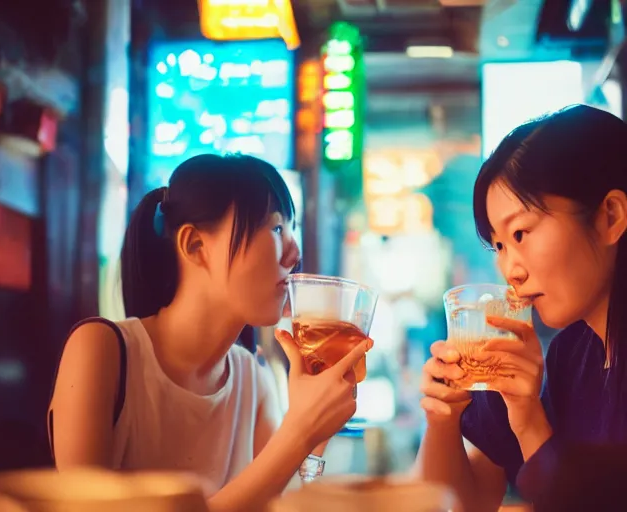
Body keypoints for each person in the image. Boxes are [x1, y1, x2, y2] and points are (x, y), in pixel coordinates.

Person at [47, 154, 372, 512]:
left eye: (292, 231)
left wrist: (315, 437)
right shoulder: (100, 350)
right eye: (277, 228)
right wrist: (298, 433)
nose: (295, 253)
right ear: (195, 246)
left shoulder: (253, 379)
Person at [416, 104, 627, 511]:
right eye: (498, 245)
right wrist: (443, 417)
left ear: (610, 217)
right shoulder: (571, 353)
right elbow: (465, 501)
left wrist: (530, 420)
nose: (509, 269)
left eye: (520, 232)